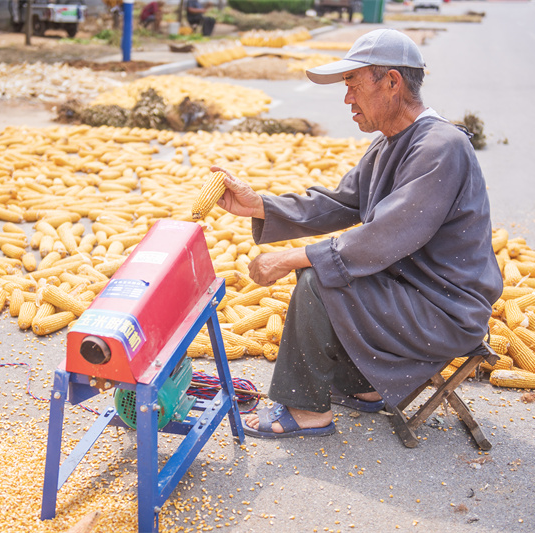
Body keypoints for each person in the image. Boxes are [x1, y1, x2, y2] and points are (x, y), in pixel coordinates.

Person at [213, 29, 503, 439]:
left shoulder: (441, 146)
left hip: (444, 309)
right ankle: (366, 389)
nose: (347, 98)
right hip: (411, 292)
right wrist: (259, 204)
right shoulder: (389, 144)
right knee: (332, 270)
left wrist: (290, 258)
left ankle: (306, 414)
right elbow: (338, 204)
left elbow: (385, 235)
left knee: (316, 279)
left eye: (353, 84)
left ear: (392, 82)